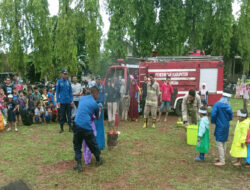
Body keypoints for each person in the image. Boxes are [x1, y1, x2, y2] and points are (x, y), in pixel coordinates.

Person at [73, 86, 103, 172]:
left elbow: (82, 109)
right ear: (95, 94)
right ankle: (98, 159)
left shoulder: (82, 98)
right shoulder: (95, 104)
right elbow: (97, 117)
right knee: (92, 144)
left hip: (77, 123)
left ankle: (79, 164)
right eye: (98, 94)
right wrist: (99, 110)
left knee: (77, 145)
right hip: (86, 126)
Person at [211, 91, 233, 166]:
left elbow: (213, 114)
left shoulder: (217, 104)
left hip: (219, 125)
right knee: (224, 141)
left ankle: (222, 160)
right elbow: (231, 115)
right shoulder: (228, 106)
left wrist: (213, 121)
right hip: (226, 125)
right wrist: (228, 119)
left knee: (219, 142)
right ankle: (221, 157)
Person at [56, 69, 74, 133]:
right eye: (64, 74)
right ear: (61, 74)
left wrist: (72, 100)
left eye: (66, 74)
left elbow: (70, 92)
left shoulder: (68, 82)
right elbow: (57, 92)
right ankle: (61, 128)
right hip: (62, 102)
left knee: (69, 115)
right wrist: (58, 101)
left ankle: (70, 128)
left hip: (68, 101)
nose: (65, 75)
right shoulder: (58, 82)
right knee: (62, 115)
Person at [94, 75, 106, 150]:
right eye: (98, 79)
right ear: (96, 80)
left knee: (101, 118)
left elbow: (104, 93)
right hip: (95, 104)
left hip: (101, 104)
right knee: (95, 119)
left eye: (100, 79)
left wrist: (104, 100)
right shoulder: (94, 87)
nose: (99, 80)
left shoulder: (102, 86)